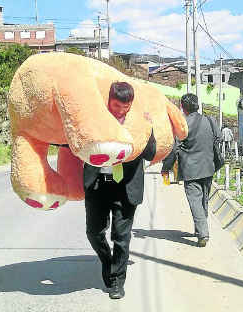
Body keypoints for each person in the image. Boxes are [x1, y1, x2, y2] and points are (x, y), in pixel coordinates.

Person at [83, 82, 156, 300]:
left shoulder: (139, 122)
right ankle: (108, 262)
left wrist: (148, 130)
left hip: (126, 185)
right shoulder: (96, 118)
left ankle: (117, 281)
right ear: (109, 100)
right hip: (98, 183)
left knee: (121, 237)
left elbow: (151, 154)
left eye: (126, 107)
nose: (121, 111)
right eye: (116, 105)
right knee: (93, 232)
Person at [161, 93, 221, 248]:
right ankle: (200, 227)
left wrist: (166, 168)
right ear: (197, 105)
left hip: (190, 169)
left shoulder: (183, 124)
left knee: (195, 200)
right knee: (204, 199)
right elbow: (218, 138)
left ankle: (203, 233)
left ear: (183, 107)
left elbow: (174, 149)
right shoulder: (210, 120)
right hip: (208, 167)